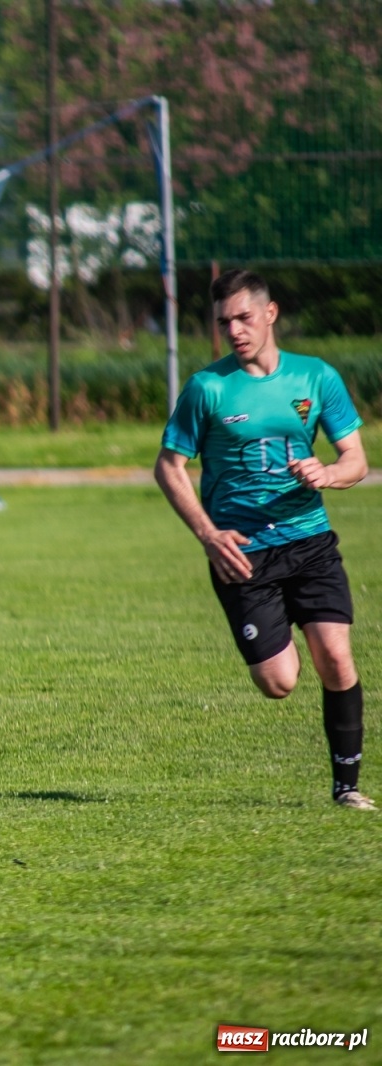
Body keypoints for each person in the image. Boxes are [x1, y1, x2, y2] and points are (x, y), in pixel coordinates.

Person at [155, 269, 372, 810]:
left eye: (243, 318)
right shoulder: (208, 388)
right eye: (224, 321)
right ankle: (280, 638)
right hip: (242, 554)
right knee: (279, 682)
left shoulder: (316, 378)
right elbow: (168, 466)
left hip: (310, 541)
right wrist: (207, 534)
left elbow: (357, 461)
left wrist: (328, 473)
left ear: (270, 314)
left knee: (337, 659)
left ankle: (347, 788)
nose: (233, 329)